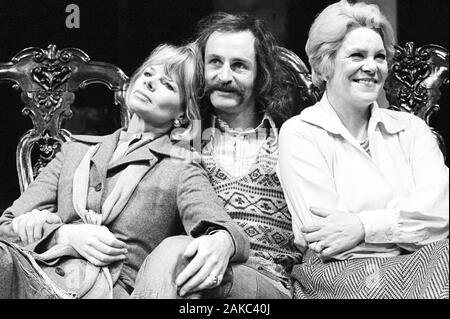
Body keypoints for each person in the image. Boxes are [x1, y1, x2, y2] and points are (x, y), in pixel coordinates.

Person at [0, 43, 249, 299]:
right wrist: (64, 234)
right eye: (148, 74)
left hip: (105, 290)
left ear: (183, 113)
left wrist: (223, 242)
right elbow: (6, 226)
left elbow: (224, 230)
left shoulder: (180, 166)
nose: (149, 83)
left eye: (167, 84)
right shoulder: (74, 150)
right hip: (35, 275)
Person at [277, 0, 449, 299]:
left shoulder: (412, 130)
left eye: (379, 56)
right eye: (357, 55)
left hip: (429, 265)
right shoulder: (300, 133)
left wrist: (362, 226)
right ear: (325, 64)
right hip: (338, 275)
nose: (371, 67)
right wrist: (407, 228)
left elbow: (441, 216)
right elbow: (327, 239)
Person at [131, 12, 303, 299]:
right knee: (183, 263)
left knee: (181, 258)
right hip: (192, 271)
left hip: (268, 282)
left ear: (260, 74)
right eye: (215, 63)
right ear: (200, 70)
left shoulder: (291, 139)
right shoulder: (182, 142)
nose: (224, 77)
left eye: (239, 66)